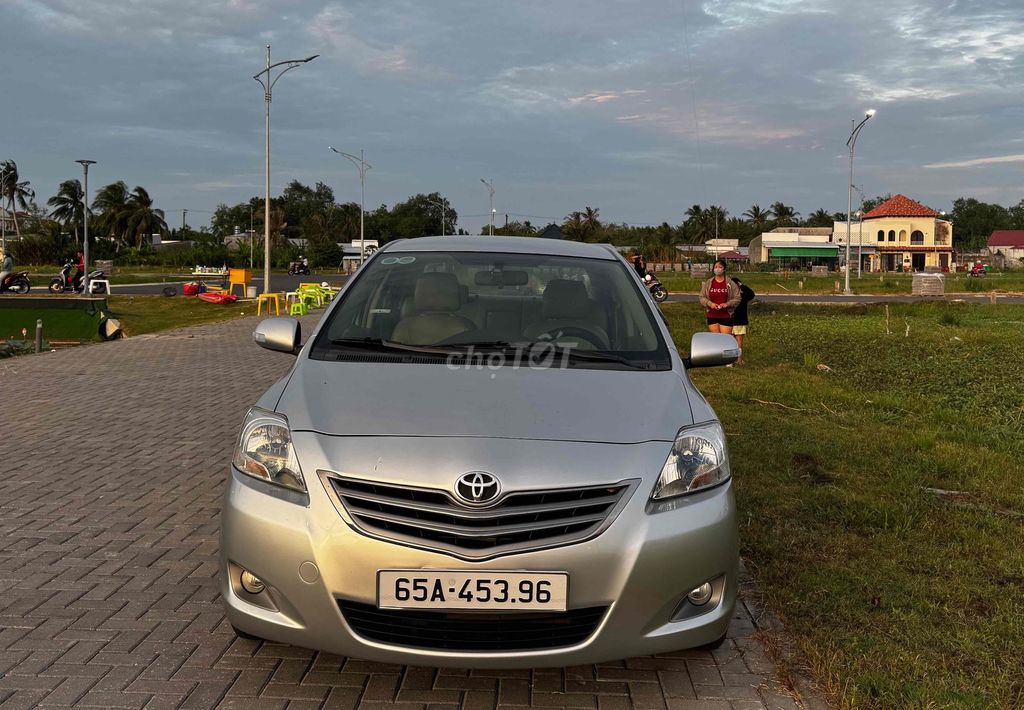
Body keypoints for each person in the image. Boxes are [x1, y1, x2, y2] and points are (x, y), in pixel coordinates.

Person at [698, 260, 740, 335]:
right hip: (712, 315)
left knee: (725, 340)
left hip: (726, 315)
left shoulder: (730, 283)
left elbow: (737, 298)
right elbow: (701, 297)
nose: (717, 269)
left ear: (724, 269)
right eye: (716, 267)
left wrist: (727, 304)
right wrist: (710, 304)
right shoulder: (708, 283)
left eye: (720, 267)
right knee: (716, 340)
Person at [730, 276, 756, 365]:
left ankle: (730, 360)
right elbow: (751, 294)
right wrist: (742, 286)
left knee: (729, 341)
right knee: (739, 341)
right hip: (740, 321)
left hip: (728, 322)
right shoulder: (743, 296)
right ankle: (739, 359)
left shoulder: (728, 297)